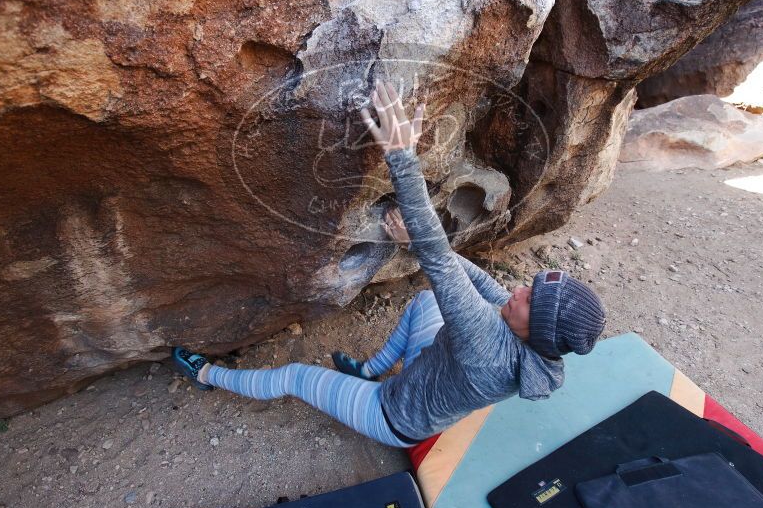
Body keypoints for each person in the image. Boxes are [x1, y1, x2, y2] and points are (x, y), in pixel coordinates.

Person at [172, 81, 606, 447]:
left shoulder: (487, 347)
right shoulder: (522, 338)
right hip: (428, 373)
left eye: (532, 300)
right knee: (424, 303)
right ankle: (368, 370)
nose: (520, 290)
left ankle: (208, 374)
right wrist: (415, 243)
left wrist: (400, 152)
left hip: (393, 417)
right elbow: (466, 275)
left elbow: (440, 256)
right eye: (532, 285)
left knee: (293, 377)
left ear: (538, 333)